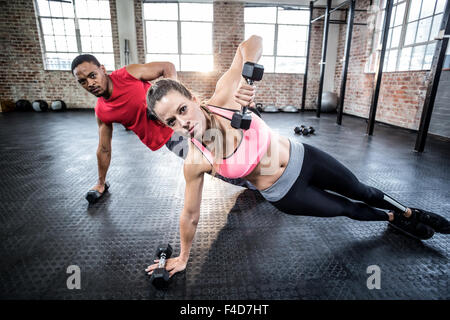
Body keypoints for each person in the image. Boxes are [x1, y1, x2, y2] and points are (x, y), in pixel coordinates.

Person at [144, 35, 450, 279]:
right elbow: (190, 215)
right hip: (287, 193)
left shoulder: (225, 97)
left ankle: (410, 213)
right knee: (349, 209)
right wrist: (183, 256)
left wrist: (248, 79)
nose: (182, 122)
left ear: (194, 99)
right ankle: (393, 218)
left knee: (364, 191)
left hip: (306, 158)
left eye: (182, 109)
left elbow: (252, 42)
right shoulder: (196, 161)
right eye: (171, 121)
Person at [71, 54, 256, 202]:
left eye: (92, 76)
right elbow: (104, 149)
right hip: (171, 138)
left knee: (226, 147)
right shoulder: (102, 111)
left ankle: (263, 175)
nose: (90, 84)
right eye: (83, 82)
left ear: (102, 70)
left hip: (187, 118)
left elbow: (167, 66)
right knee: (215, 165)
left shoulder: (128, 74)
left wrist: (172, 97)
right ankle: (258, 183)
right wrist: (100, 183)